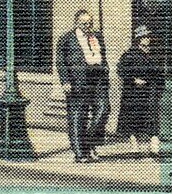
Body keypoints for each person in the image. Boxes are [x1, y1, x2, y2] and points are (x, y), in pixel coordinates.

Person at [55, 8, 111, 162]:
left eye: (90, 22)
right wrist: (65, 81)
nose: (88, 25)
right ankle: (80, 153)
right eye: (84, 23)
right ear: (76, 23)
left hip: (98, 79)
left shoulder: (97, 36)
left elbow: (103, 56)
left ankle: (89, 143)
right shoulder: (66, 39)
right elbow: (60, 62)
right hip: (77, 81)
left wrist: (106, 71)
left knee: (104, 109)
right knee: (77, 116)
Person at [114, 26, 165, 158]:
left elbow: (160, 74)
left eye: (148, 37)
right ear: (138, 39)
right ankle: (134, 147)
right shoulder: (130, 54)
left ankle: (154, 147)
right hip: (133, 92)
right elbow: (120, 70)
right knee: (133, 120)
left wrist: (159, 88)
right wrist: (133, 79)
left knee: (152, 118)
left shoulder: (155, 54)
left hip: (150, 92)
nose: (147, 39)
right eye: (144, 37)